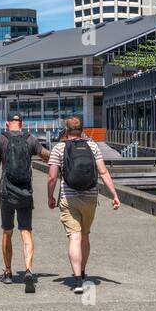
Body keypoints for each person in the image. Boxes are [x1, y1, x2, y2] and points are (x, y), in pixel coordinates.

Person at [0, 113, 49, 291]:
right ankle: (29, 270)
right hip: (25, 193)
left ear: (8, 124)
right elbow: (47, 156)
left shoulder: (2, 139)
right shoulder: (31, 139)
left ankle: (8, 272)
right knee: (26, 232)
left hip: (7, 192)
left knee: (7, 232)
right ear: (21, 124)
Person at [46, 116, 121, 294]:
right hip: (90, 197)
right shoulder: (92, 146)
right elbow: (103, 171)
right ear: (81, 130)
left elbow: (52, 177)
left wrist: (50, 196)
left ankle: (77, 279)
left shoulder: (59, 148)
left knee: (74, 237)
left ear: (66, 130)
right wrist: (114, 195)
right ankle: (84, 272)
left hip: (69, 197)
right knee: (85, 236)